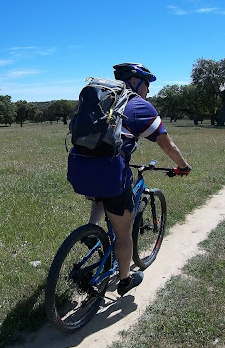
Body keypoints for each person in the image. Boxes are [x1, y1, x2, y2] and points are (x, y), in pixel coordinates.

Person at [69, 62, 191, 296]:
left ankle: (92, 231)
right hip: (111, 174)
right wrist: (183, 166)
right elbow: (168, 145)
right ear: (135, 81)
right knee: (123, 234)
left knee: (102, 191)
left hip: (79, 168)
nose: (148, 91)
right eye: (147, 85)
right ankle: (125, 280)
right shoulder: (139, 106)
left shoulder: (103, 102)